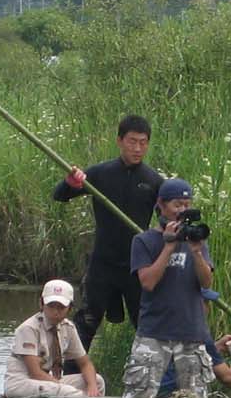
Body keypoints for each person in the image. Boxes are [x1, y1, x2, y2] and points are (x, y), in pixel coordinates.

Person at [52, 114, 164, 350]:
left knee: (145, 324)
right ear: (119, 141)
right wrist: (71, 183)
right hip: (102, 263)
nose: (137, 148)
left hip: (136, 264)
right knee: (87, 323)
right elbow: (60, 196)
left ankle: (155, 377)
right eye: (132, 141)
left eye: (143, 142)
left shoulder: (153, 180)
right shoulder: (100, 173)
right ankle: (67, 376)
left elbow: (168, 217)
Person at [123, 178, 215, 398]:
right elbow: (148, 282)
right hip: (154, 332)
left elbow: (206, 282)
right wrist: (169, 246)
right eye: (177, 205)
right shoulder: (144, 241)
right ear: (161, 205)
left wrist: (195, 251)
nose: (182, 210)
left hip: (191, 332)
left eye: (186, 204)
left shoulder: (198, 242)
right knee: (139, 396)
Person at [3, 279, 104, 398]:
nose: (55, 312)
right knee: (64, 391)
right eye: (51, 306)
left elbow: (85, 363)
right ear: (41, 304)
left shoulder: (68, 328)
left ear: (70, 308)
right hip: (21, 383)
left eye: (61, 307)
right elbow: (35, 373)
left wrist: (92, 386)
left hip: (48, 382)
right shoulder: (28, 328)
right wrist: (62, 386)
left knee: (97, 381)